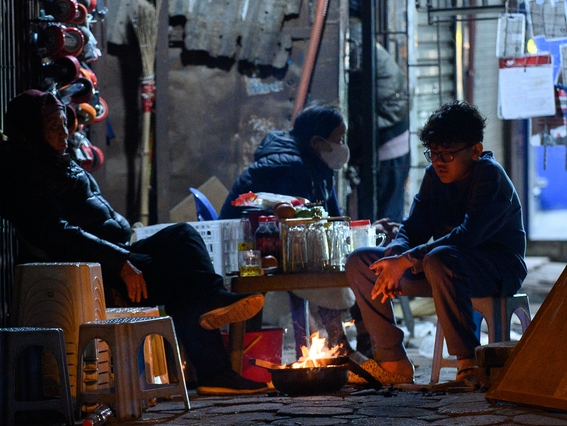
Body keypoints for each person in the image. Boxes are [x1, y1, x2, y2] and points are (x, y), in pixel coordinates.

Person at [0, 89, 269, 396]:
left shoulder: (55, 160)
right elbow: (58, 233)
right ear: (31, 135)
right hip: (91, 269)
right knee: (181, 280)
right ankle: (215, 366)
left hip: (117, 250)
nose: (63, 135)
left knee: (183, 236)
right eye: (52, 128)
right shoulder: (26, 174)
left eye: (63, 125)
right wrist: (120, 263)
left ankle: (214, 303)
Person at [345, 101, 527, 385]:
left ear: (475, 151)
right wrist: (394, 255)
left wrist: (406, 261)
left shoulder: (490, 176)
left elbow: (468, 236)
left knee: (440, 257)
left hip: (496, 271)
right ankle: (394, 361)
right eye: (434, 153)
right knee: (362, 262)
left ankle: (468, 365)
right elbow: (413, 226)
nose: (439, 161)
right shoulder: (434, 177)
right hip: (441, 271)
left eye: (448, 154)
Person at [219, 103, 363, 357]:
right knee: (323, 271)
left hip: (286, 246)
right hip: (255, 249)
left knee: (362, 260)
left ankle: (365, 343)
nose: (343, 146)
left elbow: (330, 217)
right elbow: (294, 224)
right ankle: (339, 346)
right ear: (317, 142)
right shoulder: (288, 167)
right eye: (338, 139)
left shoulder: (319, 167)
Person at [348, 2, 411, 224]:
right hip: (391, 136)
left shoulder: (353, 39)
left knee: (381, 221)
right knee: (385, 217)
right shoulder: (361, 38)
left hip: (387, 141)